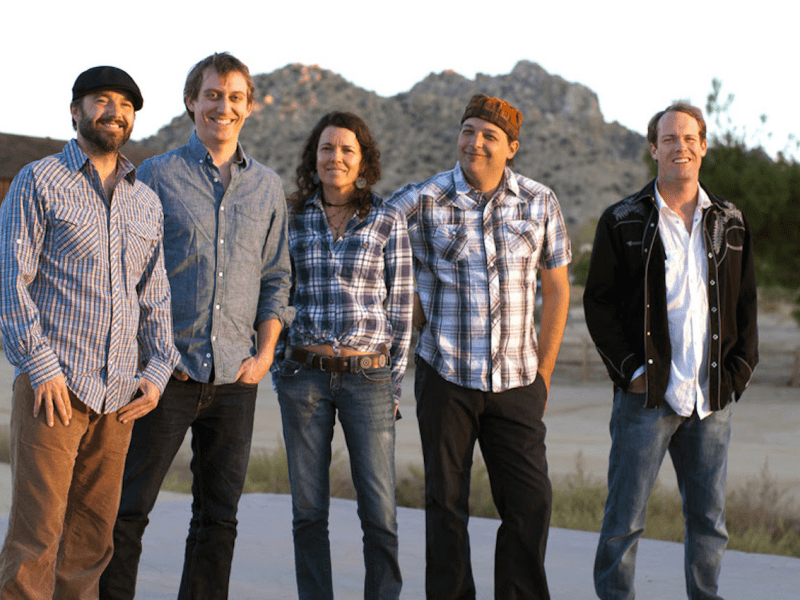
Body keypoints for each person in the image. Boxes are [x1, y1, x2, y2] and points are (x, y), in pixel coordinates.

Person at [99, 53, 293, 600]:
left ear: (249, 107)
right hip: (165, 378)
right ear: (191, 101)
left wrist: (265, 353)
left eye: (234, 97)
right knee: (128, 511)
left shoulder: (267, 189)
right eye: (212, 95)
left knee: (218, 519)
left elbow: (277, 278)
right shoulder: (156, 176)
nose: (222, 107)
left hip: (236, 381)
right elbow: (126, 272)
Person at [0, 66, 179, 598]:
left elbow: (156, 295)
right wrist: (41, 368)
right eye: (102, 100)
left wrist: (157, 369)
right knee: (37, 538)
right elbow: (12, 281)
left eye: (125, 105)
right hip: (53, 392)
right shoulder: (39, 181)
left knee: (92, 539)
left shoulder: (144, 200)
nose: (115, 113)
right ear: (75, 110)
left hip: (120, 396)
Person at [389, 94, 571, 600]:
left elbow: (556, 288)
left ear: (511, 147)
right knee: (446, 505)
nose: (476, 142)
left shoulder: (539, 201)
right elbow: (371, 230)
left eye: (489, 135)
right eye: (468, 130)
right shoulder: (424, 199)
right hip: (445, 375)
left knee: (530, 504)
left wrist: (546, 372)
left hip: (518, 381)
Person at [583, 102, 759, 600]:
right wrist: (632, 371)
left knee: (708, 521)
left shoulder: (731, 220)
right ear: (653, 148)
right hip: (647, 396)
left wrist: (738, 372)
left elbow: (746, 304)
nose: (678, 146)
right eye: (668, 138)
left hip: (710, 399)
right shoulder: (621, 219)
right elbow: (598, 304)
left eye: (688, 138)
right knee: (624, 518)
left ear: (702, 146)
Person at [274, 111, 412, 600]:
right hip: (303, 376)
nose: (336, 157)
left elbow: (400, 308)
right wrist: (278, 368)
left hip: (368, 380)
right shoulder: (291, 217)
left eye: (347, 150)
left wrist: (392, 384)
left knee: (379, 511)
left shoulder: (387, 219)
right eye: (327, 148)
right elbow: (275, 292)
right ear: (314, 158)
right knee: (308, 510)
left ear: (363, 161)